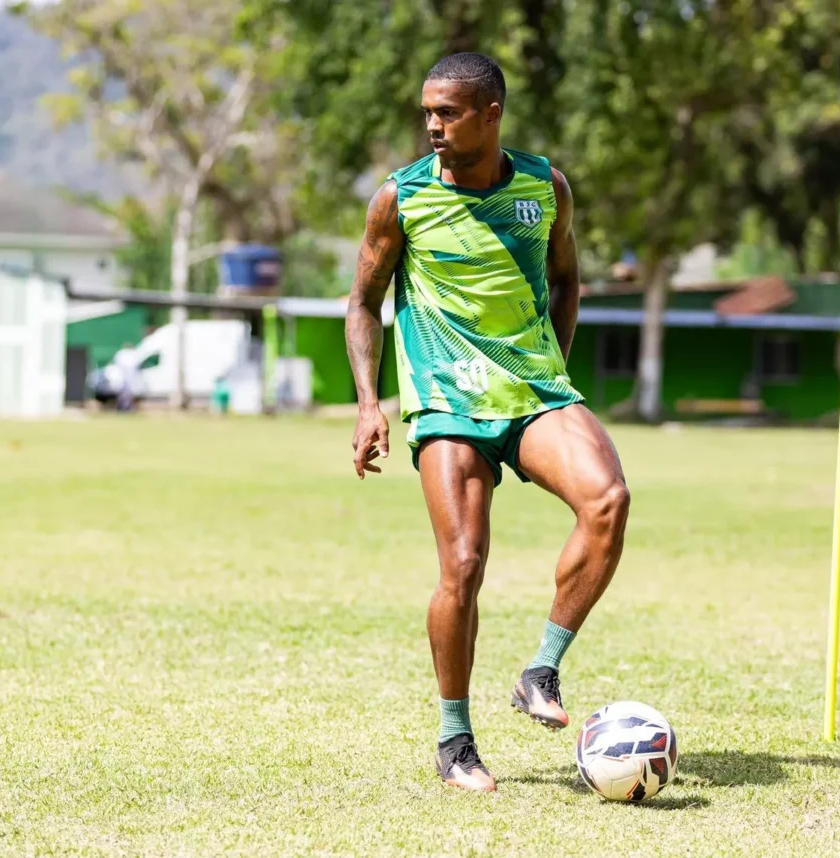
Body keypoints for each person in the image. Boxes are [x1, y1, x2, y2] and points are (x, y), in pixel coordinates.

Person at [345, 52, 631, 793]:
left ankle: (541, 669)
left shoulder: (545, 186)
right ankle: (453, 742)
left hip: (533, 391)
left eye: (448, 112)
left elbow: (568, 278)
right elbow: (361, 303)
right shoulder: (399, 199)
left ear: (490, 113)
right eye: (427, 113)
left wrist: (555, 374)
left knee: (608, 502)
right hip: (448, 400)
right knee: (463, 566)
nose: (432, 126)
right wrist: (369, 402)